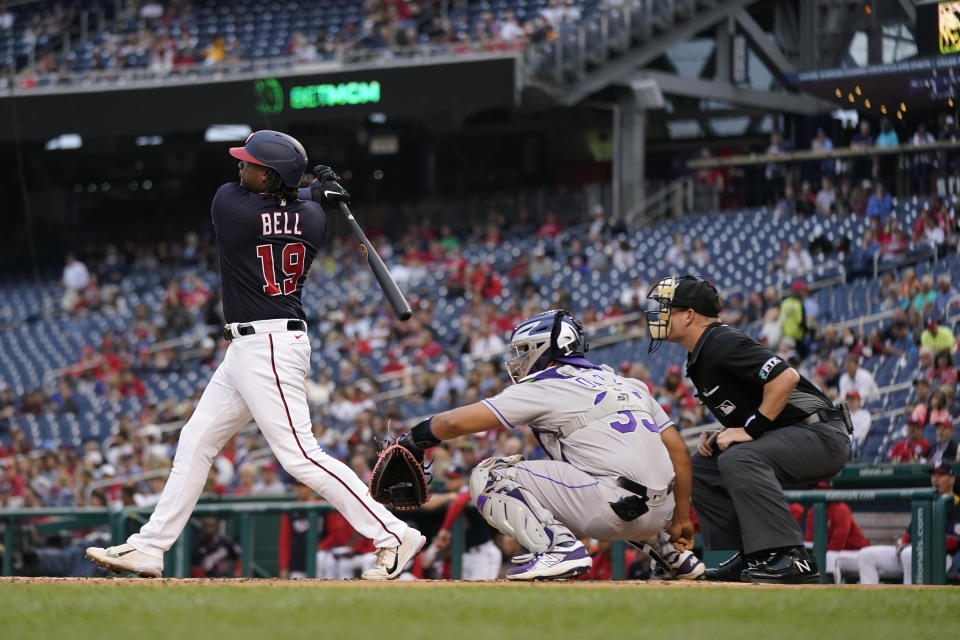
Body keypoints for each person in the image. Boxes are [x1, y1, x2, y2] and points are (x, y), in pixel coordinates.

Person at [87, 130, 424, 580]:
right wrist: (317, 191)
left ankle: (393, 533)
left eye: (251, 164)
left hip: (267, 346)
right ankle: (149, 547)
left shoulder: (230, 207)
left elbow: (269, 201)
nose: (240, 169)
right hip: (256, 346)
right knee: (195, 441)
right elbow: (296, 204)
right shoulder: (316, 218)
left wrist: (310, 187)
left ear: (271, 176)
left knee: (300, 456)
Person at [393, 309, 705, 581]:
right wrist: (679, 518)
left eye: (525, 350)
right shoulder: (628, 383)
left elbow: (453, 424)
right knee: (620, 473)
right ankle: (668, 551)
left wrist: (415, 437)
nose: (519, 360)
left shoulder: (545, 384)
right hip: (659, 511)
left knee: (489, 475)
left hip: (610, 509)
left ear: (545, 348)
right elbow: (678, 451)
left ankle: (559, 549)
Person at [645, 275, 850, 583]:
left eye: (667, 309)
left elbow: (786, 377)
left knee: (738, 458)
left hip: (821, 434)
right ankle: (751, 557)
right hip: (790, 434)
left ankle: (790, 556)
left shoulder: (720, 341)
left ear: (689, 314)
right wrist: (726, 431)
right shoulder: (701, 353)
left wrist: (750, 429)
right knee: (704, 466)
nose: (658, 316)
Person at [857, 461, 960, 584]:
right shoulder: (927, 501)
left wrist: (918, 546)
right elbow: (909, 533)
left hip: (941, 558)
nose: (935, 479)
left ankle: (911, 597)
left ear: (952, 479)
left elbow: (952, 542)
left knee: (909, 554)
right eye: (933, 475)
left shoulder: (956, 504)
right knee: (866, 555)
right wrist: (901, 544)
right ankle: (871, 601)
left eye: (941, 475)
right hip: (912, 553)